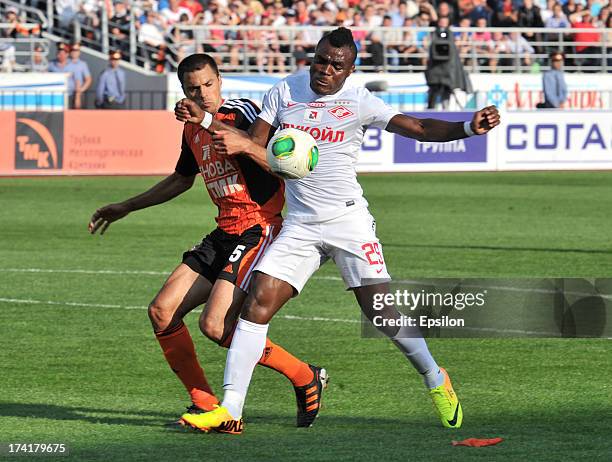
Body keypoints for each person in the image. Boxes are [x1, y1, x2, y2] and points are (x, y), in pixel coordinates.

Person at [176, 27, 500, 433]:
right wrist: (207, 119)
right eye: (320, 60)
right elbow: (252, 144)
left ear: (350, 70)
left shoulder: (359, 101)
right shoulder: (285, 91)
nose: (325, 70)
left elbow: (417, 128)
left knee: (381, 312)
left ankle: (436, 377)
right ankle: (231, 409)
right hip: (299, 223)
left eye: (336, 65)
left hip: (347, 221)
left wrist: (468, 129)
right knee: (257, 303)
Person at [89, 53, 325, 433]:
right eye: (193, 89)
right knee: (162, 312)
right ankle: (206, 403)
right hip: (224, 232)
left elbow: (266, 153)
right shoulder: (191, 129)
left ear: (220, 81)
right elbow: (182, 179)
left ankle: (302, 376)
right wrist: (126, 206)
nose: (203, 93)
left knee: (215, 326)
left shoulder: (243, 112)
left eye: (208, 85)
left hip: (260, 226)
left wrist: (210, 120)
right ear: (184, 91)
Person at [66, 42, 92, 109]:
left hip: (78, 93)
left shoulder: (83, 64)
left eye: (76, 50)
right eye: (73, 50)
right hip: (67, 93)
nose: (74, 52)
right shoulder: (65, 62)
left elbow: (88, 79)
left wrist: (81, 89)